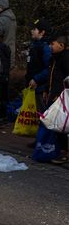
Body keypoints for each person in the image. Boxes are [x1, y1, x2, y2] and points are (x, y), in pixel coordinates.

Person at [46, 33, 69, 164]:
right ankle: (60, 148)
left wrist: (60, 95)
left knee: (62, 124)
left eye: (53, 44)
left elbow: (66, 79)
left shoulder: (65, 58)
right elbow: (51, 76)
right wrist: (46, 90)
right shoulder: (54, 58)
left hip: (61, 97)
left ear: (61, 45)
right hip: (52, 94)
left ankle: (65, 152)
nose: (50, 46)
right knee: (55, 123)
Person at [25, 19, 52, 114]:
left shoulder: (46, 48)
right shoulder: (34, 45)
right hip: (32, 88)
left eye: (34, 29)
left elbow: (49, 68)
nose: (31, 31)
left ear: (42, 32)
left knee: (43, 115)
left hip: (41, 89)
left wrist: (36, 79)